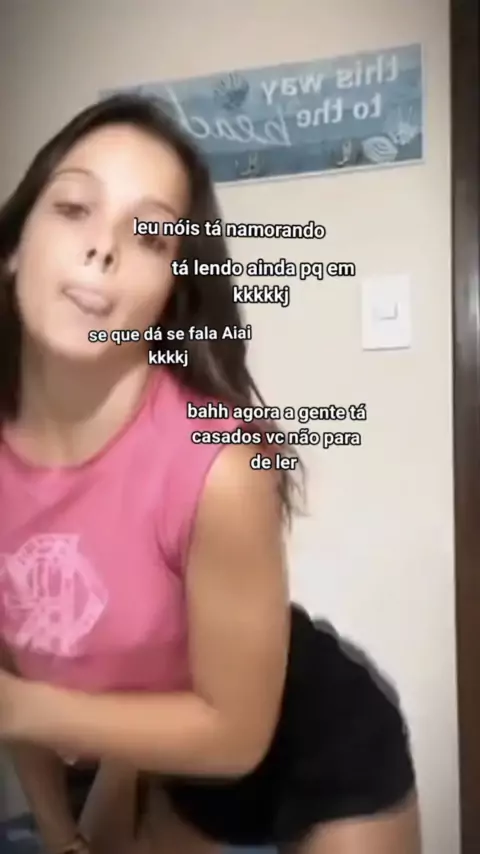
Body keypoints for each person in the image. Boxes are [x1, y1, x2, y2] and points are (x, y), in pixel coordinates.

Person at [0, 93, 422, 854]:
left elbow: (233, 735)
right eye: (72, 208)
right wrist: (60, 839)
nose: (102, 248)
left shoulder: (223, 465)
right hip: (159, 753)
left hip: (306, 736)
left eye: (150, 235)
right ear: (13, 246)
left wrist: (25, 709)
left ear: (173, 290)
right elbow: (12, 671)